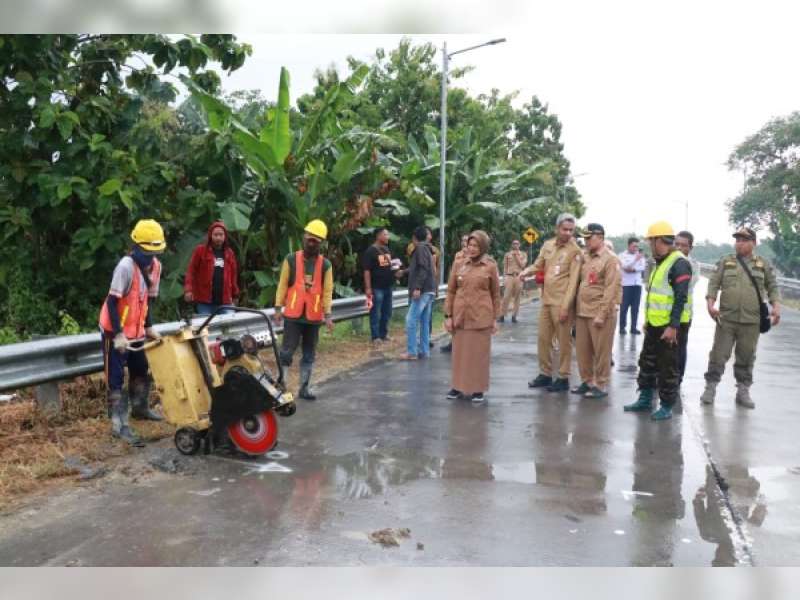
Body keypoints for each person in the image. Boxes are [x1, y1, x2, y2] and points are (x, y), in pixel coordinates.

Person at [98, 219, 166, 445]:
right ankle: (118, 422)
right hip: (115, 330)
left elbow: (148, 301)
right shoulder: (125, 267)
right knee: (116, 377)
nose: (150, 258)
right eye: (146, 252)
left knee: (140, 370)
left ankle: (140, 408)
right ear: (136, 247)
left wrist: (149, 327)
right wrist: (117, 334)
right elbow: (111, 302)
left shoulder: (155, 267)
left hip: (137, 330)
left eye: (154, 252)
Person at [699, 227, 781, 408]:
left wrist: (776, 307)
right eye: (737, 240)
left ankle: (743, 391)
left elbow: (772, 287)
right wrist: (710, 304)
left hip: (752, 321)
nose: (739, 243)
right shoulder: (726, 261)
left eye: (744, 240)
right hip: (726, 319)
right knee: (718, 356)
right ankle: (710, 388)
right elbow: (714, 283)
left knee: (746, 357)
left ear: (754, 243)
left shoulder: (763, 264)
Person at [624, 221, 692, 421]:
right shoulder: (660, 262)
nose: (650, 246)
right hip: (655, 324)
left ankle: (666, 405)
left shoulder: (679, 263)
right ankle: (645, 399)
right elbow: (656, 296)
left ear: (659, 241)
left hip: (671, 327)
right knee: (647, 362)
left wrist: (673, 327)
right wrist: (648, 321)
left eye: (651, 241)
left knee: (668, 367)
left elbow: (680, 298)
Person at [519, 213, 582, 393]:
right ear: (557, 229)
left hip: (562, 303)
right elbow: (538, 265)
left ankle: (563, 377)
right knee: (543, 339)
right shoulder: (547, 245)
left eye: (571, 230)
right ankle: (545, 374)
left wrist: (566, 306)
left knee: (564, 342)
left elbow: (573, 281)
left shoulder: (575, 251)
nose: (568, 233)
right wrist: (525, 272)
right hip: (546, 300)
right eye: (565, 229)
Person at [273, 219, 334, 401]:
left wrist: (328, 315)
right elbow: (282, 285)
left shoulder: (326, 265)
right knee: (286, 352)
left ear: (321, 243)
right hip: (293, 315)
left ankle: (304, 388)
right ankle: (282, 385)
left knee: (309, 354)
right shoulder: (291, 259)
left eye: (316, 240)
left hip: (313, 318)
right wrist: (278, 308)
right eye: (309, 238)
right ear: (304, 237)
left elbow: (328, 291)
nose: (311, 242)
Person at [444, 230, 501, 403]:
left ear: (483, 247)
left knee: (479, 355)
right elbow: (451, 290)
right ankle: (457, 386)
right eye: (470, 245)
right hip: (461, 315)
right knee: (459, 354)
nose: (472, 248)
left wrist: (495, 319)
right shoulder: (459, 264)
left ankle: (478, 389)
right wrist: (448, 315)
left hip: (481, 316)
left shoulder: (490, 266)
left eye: (476, 245)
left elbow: (496, 294)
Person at [572, 224, 621, 398]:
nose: (585, 241)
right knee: (582, 350)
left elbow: (610, 289)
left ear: (600, 237)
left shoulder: (610, 259)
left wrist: (602, 314)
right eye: (584, 238)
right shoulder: (585, 257)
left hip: (600, 314)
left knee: (601, 352)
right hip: (582, 311)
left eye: (588, 238)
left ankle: (601, 384)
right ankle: (587, 381)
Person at [183, 220, 240, 315]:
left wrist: (235, 294)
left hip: (225, 301)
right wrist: (188, 289)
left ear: (225, 236)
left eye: (221, 235)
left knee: (228, 327)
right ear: (210, 235)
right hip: (205, 301)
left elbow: (233, 276)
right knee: (206, 327)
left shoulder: (229, 253)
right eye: (216, 235)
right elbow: (191, 271)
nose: (218, 237)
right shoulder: (200, 251)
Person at [399, 226, 437, 360]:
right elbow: (421, 267)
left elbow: (422, 269)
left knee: (411, 319)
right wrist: (404, 272)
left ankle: (412, 351)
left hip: (423, 290)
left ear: (414, 238)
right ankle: (424, 351)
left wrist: (417, 288)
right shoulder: (428, 248)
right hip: (430, 289)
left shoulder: (420, 248)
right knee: (424, 321)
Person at [362, 227, 397, 345]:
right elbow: (367, 270)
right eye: (385, 234)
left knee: (387, 312)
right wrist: (368, 288)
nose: (388, 237)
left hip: (388, 286)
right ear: (378, 236)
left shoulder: (387, 249)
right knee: (375, 312)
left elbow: (389, 265)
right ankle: (375, 336)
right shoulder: (370, 251)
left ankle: (384, 334)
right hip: (376, 287)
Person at [674, 230, 699, 384]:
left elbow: (685, 285)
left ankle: (678, 378)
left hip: (683, 314)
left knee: (680, 347)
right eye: (676, 244)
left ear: (690, 248)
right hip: (664, 313)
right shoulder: (665, 261)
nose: (679, 248)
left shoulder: (693, 265)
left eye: (683, 245)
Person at [441, 234, 470, 353]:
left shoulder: (472, 255)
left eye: (466, 241)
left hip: (469, 289)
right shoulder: (458, 255)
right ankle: (452, 343)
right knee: (455, 317)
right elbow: (455, 270)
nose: (464, 243)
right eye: (463, 241)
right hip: (458, 288)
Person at [618, 236, 646, 334]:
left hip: (637, 285)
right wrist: (635, 260)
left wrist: (633, 269)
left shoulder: (640, 256)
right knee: (624, 307)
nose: (636, 249)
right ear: (629, 245)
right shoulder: (622, 255)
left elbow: (642, 267)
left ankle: (633, 327)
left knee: (635, 308)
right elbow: (625, 267)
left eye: (637, 247)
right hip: (626, 285)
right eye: (634, 246)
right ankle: (622, 327)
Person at [498, 239, 527, 323]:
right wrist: (504, 278)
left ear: (519, 245)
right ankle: (502, 315)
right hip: (509, 276)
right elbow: (505, 267)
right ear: (512, 245)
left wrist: (516, 256)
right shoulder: (507, 254)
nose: (515, 245)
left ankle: (514, 316)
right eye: (514, 243)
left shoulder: (523, 254)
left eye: (517, 243)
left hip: (519, 276)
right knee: (506, 296)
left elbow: (523, 265)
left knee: (517, 297)